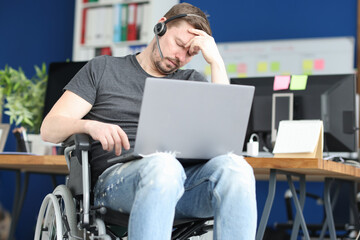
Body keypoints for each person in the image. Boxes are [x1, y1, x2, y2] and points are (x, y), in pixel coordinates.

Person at [41, 2, 257, 239]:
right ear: (160, 27)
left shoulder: (192, 80)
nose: (181, 57)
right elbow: (50, 129)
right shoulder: (104, 68)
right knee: (164, 165)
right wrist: (89, 125)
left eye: (191, 53)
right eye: (179, 45)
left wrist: (216, 61)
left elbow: (223, 140)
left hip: (182, 184)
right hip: (116, 184)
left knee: (237, 169)